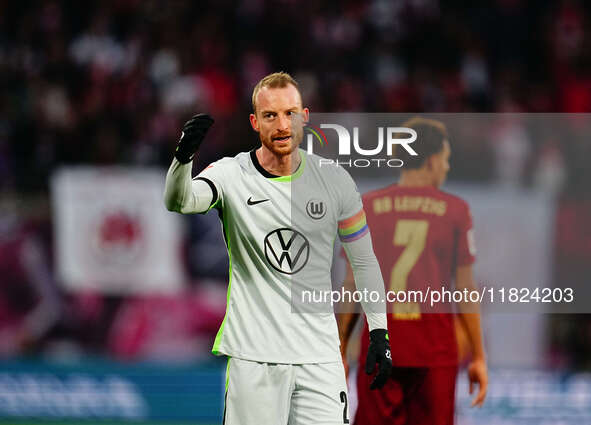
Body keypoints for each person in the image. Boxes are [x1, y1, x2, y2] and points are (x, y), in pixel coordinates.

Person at [164, 72, 392, 424]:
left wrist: (379, 331)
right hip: (254, 359)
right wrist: (182, 160)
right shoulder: (230, 174)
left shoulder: (335, 181)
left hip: (319, 359)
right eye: (270, 115)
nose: (282, 124)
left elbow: (364, 262)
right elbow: (180, 201)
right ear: (255, 122)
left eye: (289, 113)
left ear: (304, 117)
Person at [337, 117, 488, 425]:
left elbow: (352, 286)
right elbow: (465, 289)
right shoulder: (455, 210)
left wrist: (340, 349)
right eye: (445, 161)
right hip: (435, 352)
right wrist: (478, 356)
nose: (445, 168)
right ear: (432, 161)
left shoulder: (366, 205)